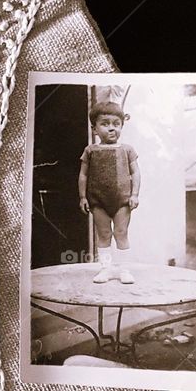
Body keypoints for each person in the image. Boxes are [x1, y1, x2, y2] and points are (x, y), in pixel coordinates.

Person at [78, 100, 141, 284]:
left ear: (122, 125)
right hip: (98, 200)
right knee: (104, 234)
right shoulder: (90, 151)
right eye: (105, 124)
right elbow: (83, 175)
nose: (111, 128)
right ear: (94, 128)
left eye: (116, 124)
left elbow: (135, 172)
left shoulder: (127, 150)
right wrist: (83, 196)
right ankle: (105, 269)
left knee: (121, 232)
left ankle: (124, 270)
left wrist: (135, 194)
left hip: (122, 200)